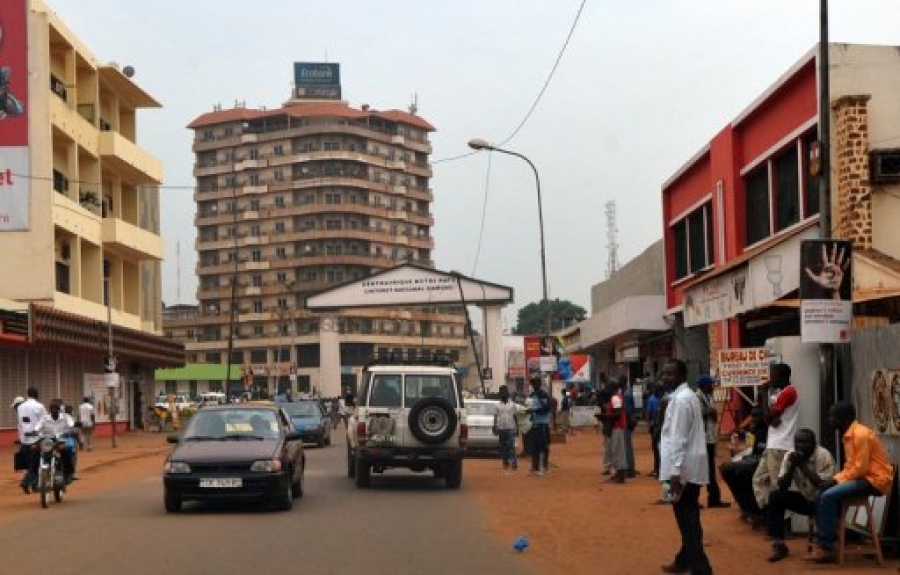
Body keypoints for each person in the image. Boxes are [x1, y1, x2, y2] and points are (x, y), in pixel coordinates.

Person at [806, 401, 895, 563]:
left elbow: (860, 469)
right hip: (863, 477)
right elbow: (850, 467)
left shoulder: (860, 435)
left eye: (832, 416)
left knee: (827, 496)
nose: (829, 419)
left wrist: (835, 481)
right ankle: (828, 540)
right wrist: (835, 479)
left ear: (843, 418)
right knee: (820, 493)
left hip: (875, 480)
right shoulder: (848, 435)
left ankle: (827, 548)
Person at [659, 359, 713, 575]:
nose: (665, 378)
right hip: (686, 466)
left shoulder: (681, 400)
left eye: (670, 374)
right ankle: (683, 560)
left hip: (682, 470)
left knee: (687, 519)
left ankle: (701, 569)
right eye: (664, 373)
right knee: (687, 517)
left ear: (681, 375)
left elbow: (678, 439)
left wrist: (675, 473)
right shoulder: (685, 396)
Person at [766, 428, 835, 562]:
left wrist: (802, 465)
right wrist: (792, 466)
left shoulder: (823, 455)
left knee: (821, 495)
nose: (801, 446)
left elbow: (822, 485)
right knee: (776, 496)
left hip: (825, 502)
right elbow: (782, 485)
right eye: (798, 442)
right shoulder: (790, 455)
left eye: (805, 442)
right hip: (807, 499)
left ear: (814, 443)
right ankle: (779, 545)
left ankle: (826, 548)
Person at [752, 363, 799, 512]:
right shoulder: (780, 393)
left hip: (781, 444)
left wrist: (764, 392)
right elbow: (769, 419)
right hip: (774, 443)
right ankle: (769, 513)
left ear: (783, 377)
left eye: (773, 376)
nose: (770, 379)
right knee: (759, 479)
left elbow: (767, 417)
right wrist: (769, 417)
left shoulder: (788, 392)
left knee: (777, 485)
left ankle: (781, 518)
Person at [720, 407, 768, 524]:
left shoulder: (767, 430)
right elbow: (751, 446)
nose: (754, 419)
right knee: (726, 468)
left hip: (762, 460)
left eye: (757, 416)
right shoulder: (755, 430)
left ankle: (754, 510)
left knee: (741, 471)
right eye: (753, 416)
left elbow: (762, 451)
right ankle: (745, 506)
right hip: (753, 458)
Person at [696, 375, 730, 508]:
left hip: (710, 437)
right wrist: (708, 411)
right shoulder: (696, 398)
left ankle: (714, 498)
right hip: (701, 438)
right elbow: (697, 415)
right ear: (704, 386)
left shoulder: (709, 397)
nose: (713, 386)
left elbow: (714, 415)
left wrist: (711, 412)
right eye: (710, 384)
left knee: (710, 469)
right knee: (700, 469)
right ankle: (696, 499)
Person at [15, 386, 47, 493]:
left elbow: (20, 423)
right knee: (37, 463)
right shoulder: (39, 406)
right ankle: (26, 482)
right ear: (36, 394)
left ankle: (34, 485)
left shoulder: (20, 407)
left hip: (24, 439)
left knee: (30, 463)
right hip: (36, 439)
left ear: (28, 394)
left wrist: (21, 437)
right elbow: (44, 421)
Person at [38, 398, 77, 484]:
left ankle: (68, 474)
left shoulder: (66, 417)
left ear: (59, 409)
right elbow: (37, 427)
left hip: (62, 440)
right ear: (50, 410)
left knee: (67, 454)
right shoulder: (44, 418)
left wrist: (70, 430)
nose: (54, 411)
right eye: (52, 408)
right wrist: (34, 432)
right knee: (40, 453)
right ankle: (36, 475)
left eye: (56, 408)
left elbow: (71, 424)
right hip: (49, 441)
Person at [598, 377, 627, 484]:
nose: (607, 390)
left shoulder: (615, 398)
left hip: (616, 427)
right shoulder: (616, 397)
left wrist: (606, 417)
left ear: (611, 388)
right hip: (615, 427)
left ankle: (620, 477)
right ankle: (617, 475)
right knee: (616, 451)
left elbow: (617, 413)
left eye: (608, 387)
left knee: (617, 451)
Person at [526, 377, 552, 476]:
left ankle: (543, 467)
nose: (534, 385)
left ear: (539, 384)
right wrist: (528, 411)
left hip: (543, 424)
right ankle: (535, 467)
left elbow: (547, 408)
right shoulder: (531, 395)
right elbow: (529, 407)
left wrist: (535, 410)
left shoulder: (544, 395)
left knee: (543, 446)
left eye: (535, 383)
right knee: (534, 446)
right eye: (533, 383)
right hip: (534, 424)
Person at [494, 384, 519, 471]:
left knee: (511, 446)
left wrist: (517, 428)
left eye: (505, 392)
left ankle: (514, 463)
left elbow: (515, 416)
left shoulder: (512, 404)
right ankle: (505, 462)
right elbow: (495, 416)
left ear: (507, 393)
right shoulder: (497, 405)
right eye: (502, 392)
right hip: (501, 428)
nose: (503, 394)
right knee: (503, 447)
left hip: (510, 428)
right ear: (500, 394)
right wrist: (495, 426)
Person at [646, 383, 664, 478]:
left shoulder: (655, 399)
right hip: (657, 427)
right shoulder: (654, 399)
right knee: (657, 449)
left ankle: (659, 470)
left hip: (659, 427)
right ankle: (657, 469)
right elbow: (649, 414)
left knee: (658, 449)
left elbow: (649, 414)